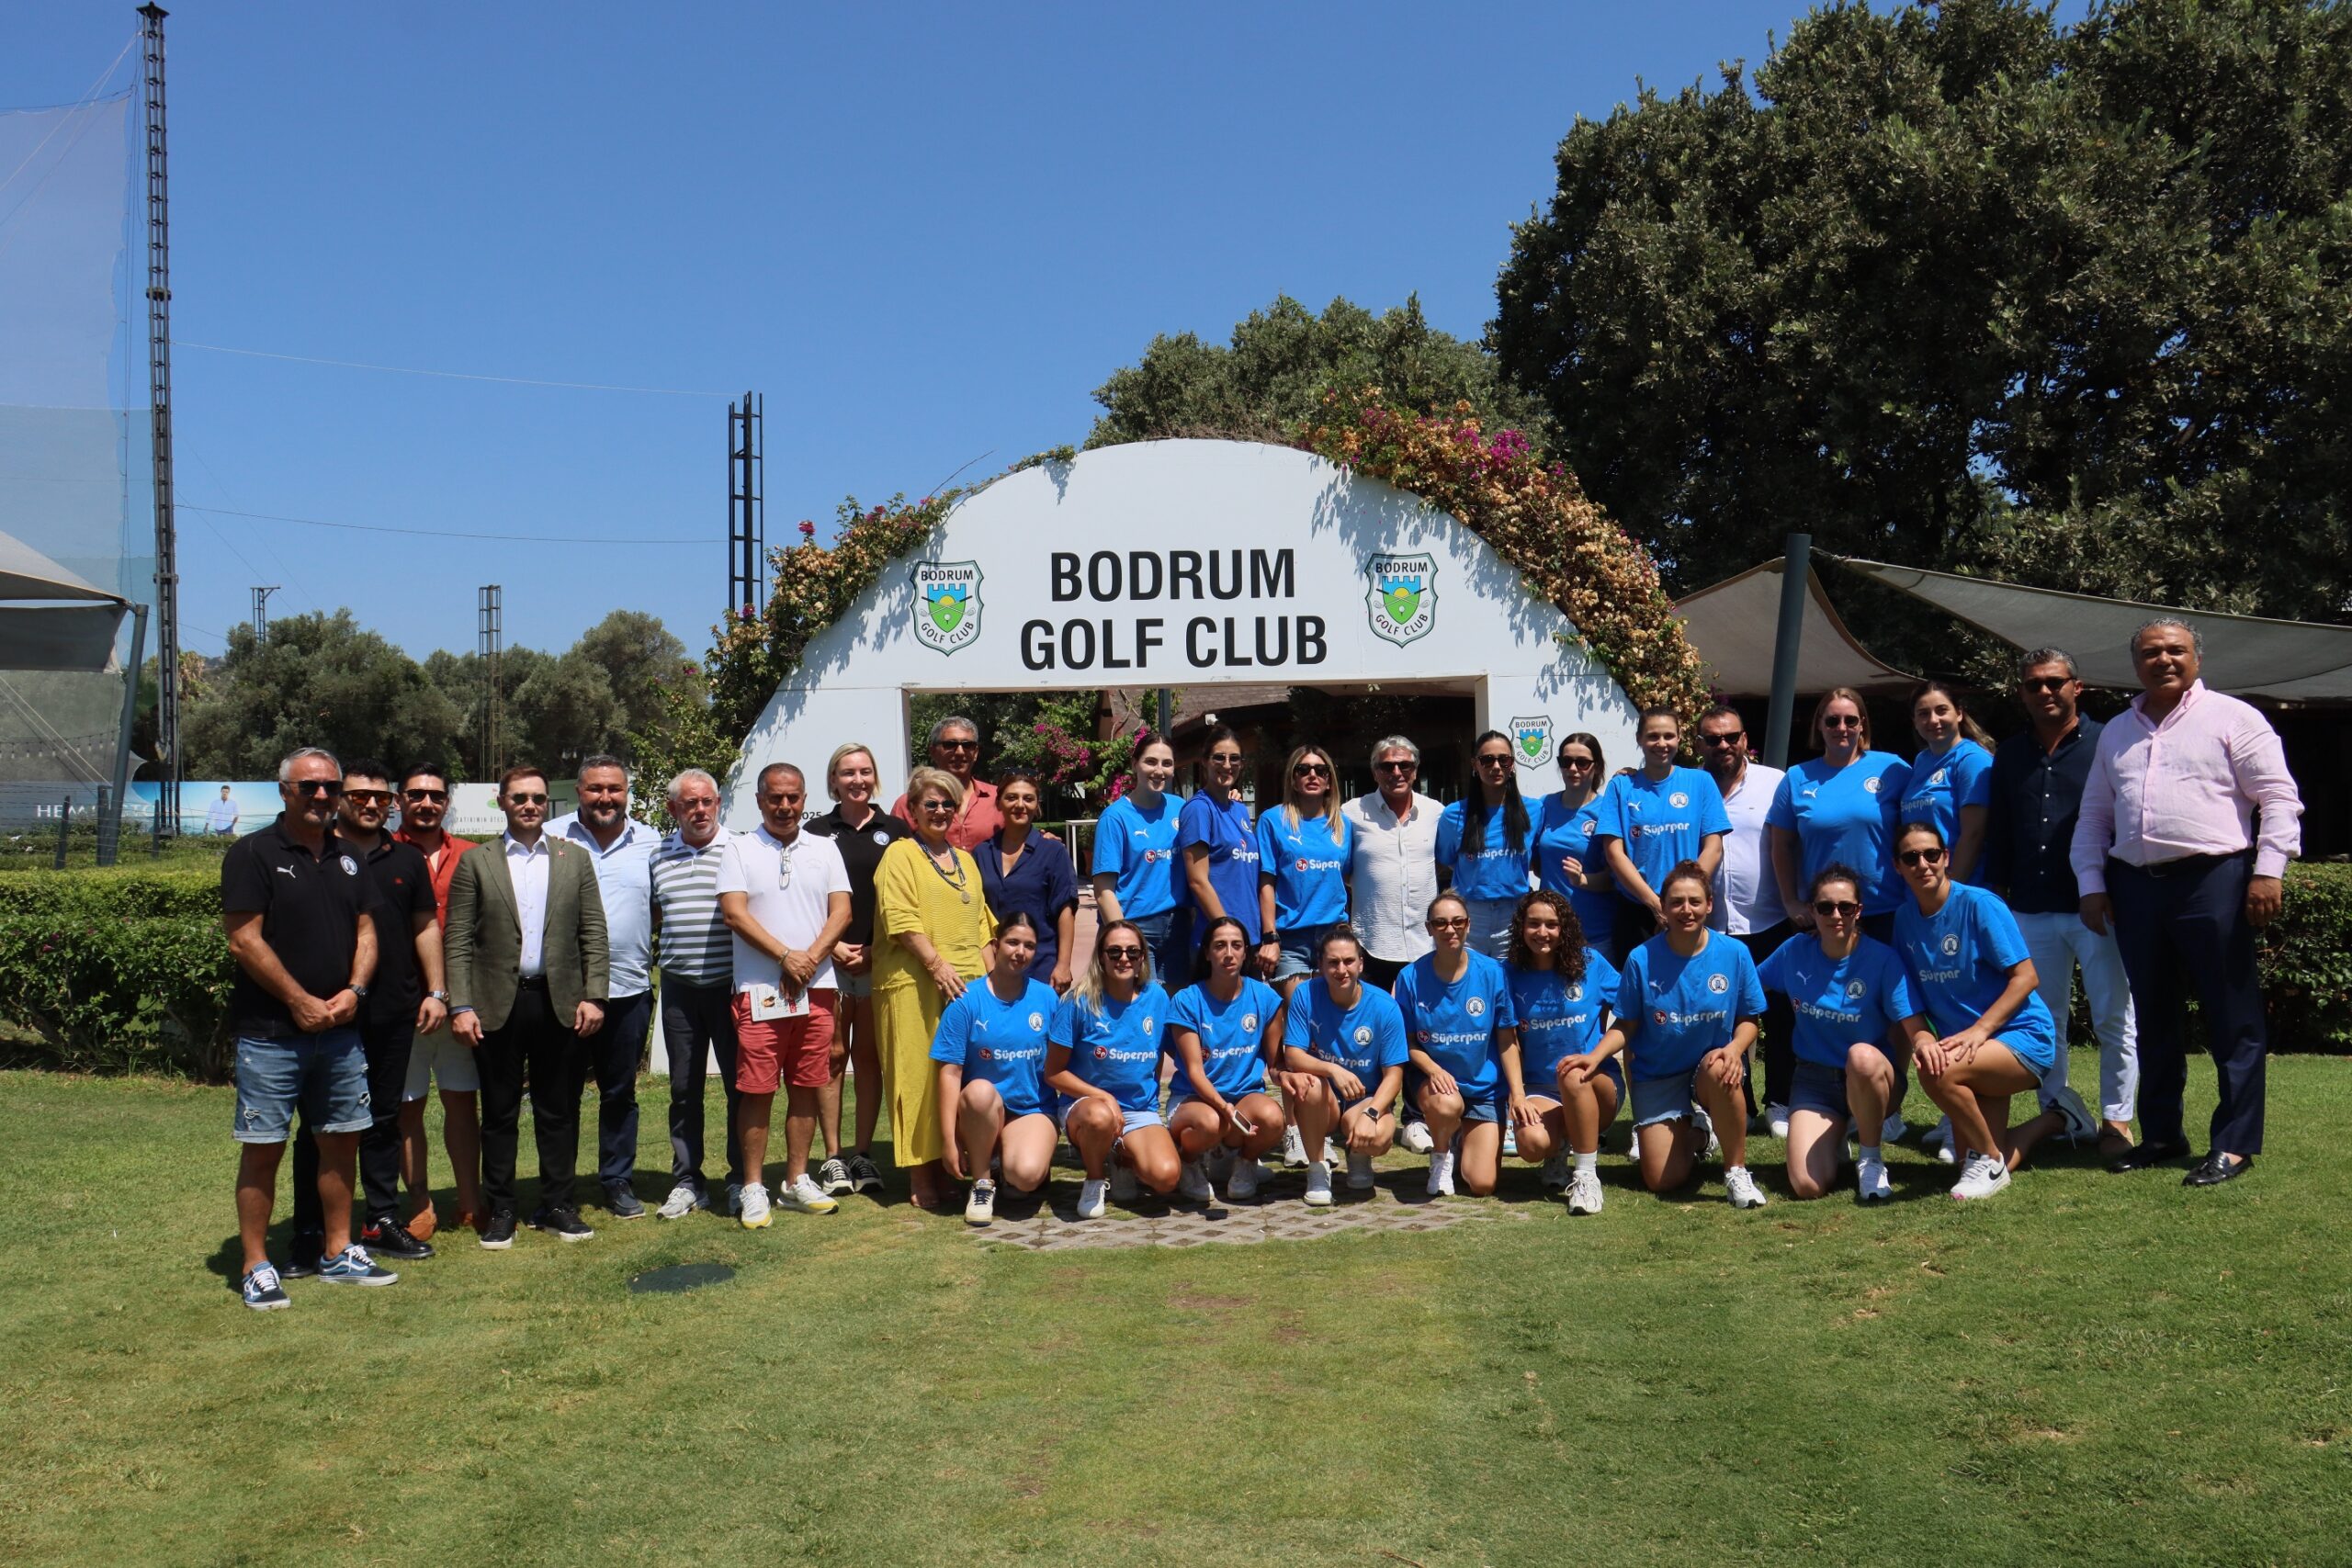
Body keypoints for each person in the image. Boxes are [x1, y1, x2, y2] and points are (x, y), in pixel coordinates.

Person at [2073, 618, 2303, 1187]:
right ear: (2136, 664)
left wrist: (2267, 872)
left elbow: (2278, 797)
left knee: (2232, 1016)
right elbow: (2096, 816)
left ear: (2196, 657)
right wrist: (2091, 884)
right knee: (2153, 1015)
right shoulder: (2117, 732)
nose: (2164, 660)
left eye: (2175, 650)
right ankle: (2162, 1133)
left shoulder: (2234, 717)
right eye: (2151, 652)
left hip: (2214, 880)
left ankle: (2234, 1143)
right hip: (2135, 885)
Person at [221, 747, 395, 1308]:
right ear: (284, 792)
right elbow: (244, 938)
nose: (322, 796)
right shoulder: (252, 854)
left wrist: (354, 992)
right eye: (309, 787)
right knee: (264, 1148)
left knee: (341, 1143)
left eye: (330, 787)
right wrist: (299, 1001)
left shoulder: (350, 858)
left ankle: (338, 1251)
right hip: (272, 1034)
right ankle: (255, 1264)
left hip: (340, 1032)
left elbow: (368, 930)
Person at [285, 758, 444, 1268]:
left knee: (383, 1118)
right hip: (332, 1014)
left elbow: (425, 927)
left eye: (380, 797)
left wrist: (436, 990)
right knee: (321, 1126)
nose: (371, 805)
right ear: (339, 798)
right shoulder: (320, 857)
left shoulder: (407, 860)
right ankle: (309, 1230)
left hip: (394, 1010)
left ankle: (379, 1218)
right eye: (359, 796)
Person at [446, 763, 610, 1248]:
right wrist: (461, 1004)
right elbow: (457, 939)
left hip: (559, 1003)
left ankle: (558, 1203)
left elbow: (593, 933)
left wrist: (594, 994)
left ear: (548, 803)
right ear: (502, 802)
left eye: (538, 798)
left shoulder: (574, 859)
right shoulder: (478, 862)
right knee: (499, 1113)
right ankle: (502, 1209)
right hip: (497, 1005)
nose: (530, 805)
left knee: (557, 1110)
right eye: (519, 798)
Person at [1984, 649, 2138, 1158]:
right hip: (2029, 907)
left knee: (2113, 1015)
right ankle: (2059, 1113)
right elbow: (2000, 832)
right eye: (2033, 685)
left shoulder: (2108, 743)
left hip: (2096, 904)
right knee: (2043, 1020)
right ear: (2023, 693)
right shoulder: (2010, 754)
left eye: (2054, 682)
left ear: (2078, 686)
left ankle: (2117, 1121)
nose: (2045, 692)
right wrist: (1997, 898)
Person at [1561, 862, 1769, 1209]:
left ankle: (1736, 1172)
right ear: (1663, 905)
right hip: (1658, 1075)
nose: (1686, 910)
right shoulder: (1641, 959)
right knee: (1662, 1180)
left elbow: (1749, 1019)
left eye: (1694, 901)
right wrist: (1594, 1057)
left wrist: (1734, 1049)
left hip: (1709, 1068)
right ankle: (1701, 1134)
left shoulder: (1734, 954)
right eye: (1676, 902)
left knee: (1722, 1068)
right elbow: (1626, 1025)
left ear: (1709, 904)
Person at [1768, 687, 1911, 1145]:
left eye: (1851, 720)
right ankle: (1826, 1098)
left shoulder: (1892, 770)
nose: (1842, 729)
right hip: (1826, 915)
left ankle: (1890, 1103)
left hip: (1886, 909)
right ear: (1819, 727)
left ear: (1863, 724)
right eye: (1832, 721)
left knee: (1896, 1011)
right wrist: (1793, 901)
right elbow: (1782, 843)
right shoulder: (1797, 777)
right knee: (1826, 1005)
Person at [717, 761, 854, 1225]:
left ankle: (796, 1181)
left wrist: (809, 958)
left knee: (806, 1086)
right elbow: (734, 913)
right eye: (775, 797)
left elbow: (842, 912)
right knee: (757, 1090)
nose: (784, 806)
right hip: (759, 991)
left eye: (793, 797)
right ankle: (753, 1185)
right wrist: (785, 956)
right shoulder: (738, 849)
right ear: (759, 800)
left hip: (817, 991)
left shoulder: (825, 848)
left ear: (804, 798)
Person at [1893, 820, 2059, 1201]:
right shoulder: (1904, 920)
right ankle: (2056, 1120)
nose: (1923, 864)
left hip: (2020, 1038)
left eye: (1932, 854)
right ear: (1898, 866)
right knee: (1965, 1164)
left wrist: (1981, 1030)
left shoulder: (1979, 904)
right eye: (1911, 857)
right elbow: (1907, 995)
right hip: (1969, 1048)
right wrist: (1920, 1036)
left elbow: (2026, 977)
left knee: (1938, 1070)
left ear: (1946, 858)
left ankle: (1990, 1160)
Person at [1756, 866, 1927, 1203]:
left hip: (1872, 1078)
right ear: (1812, 911)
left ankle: (1871, 1159)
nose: (1836, 915)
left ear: (1858, 911)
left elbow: (1913, 1024)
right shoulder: (1794, 951)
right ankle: (1836, 1137)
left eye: (1845, 907)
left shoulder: (1882, 958)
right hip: (1813, 1081)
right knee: (1807, 1186)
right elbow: (1748, 988)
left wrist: (1926, 1044)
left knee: (1861, 1056)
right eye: (1825, 907)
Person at [873, 766, 999, 1210]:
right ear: (912, 809)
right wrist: (935, 963)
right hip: (914, 984)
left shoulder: (966, 860)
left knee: (962, 1076)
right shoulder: (900, 855)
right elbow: (900, 916)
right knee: (918, 1077)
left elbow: (983, 925)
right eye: (931, 804)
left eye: (948, 803)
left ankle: (956, 1163)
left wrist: (995, 982)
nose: (941, 811)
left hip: (966, 987)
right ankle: (920, 1176)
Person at [546, 755, 656, 1220]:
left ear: (626, 792)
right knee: (560, 1096)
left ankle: (616, 1180)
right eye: (595, 789)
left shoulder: (652, 841)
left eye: (615, 789)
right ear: (579, 791)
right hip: (564, 992)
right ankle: (559, 1190)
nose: (605, 798)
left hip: (629, 988)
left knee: (618, 1093)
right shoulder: (551, 837)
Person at [802, 741, 910, 1199]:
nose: (857, 780)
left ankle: (862, 1152)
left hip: (877, 960)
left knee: (868, 1058)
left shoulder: (898, 831)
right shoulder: (814, 831)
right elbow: (807, 899)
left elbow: (905, 898)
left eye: (865, 771)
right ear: (834, 781)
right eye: (847, 773)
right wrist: (833, 947)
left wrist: (872, 948)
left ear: (875, 778)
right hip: (827, 962)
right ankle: (832, 1157)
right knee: (829, 1057)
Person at [647, 767, 745, 1220]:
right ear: (674, 809)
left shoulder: (739, 850)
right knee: (683, 1089)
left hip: (731, 987)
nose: (700, 810)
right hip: (681, 990)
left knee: (739, 1088)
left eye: (707, 801)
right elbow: (652, 917)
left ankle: (742, 1179)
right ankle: (687, 1182)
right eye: (690, 803)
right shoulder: (658, 856)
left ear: (718, 804)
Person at [1696, 705, 1795, 1134]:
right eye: (1714, 739)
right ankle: (1744, 1103)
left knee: (1779, 1016)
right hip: (1714, 926)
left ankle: (1781, 1103)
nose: (1723, 746)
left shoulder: (1775, 782)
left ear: (1744, 739)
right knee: (1725, 1017)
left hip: (1770, 918)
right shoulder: (1693, 786)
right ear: (1700, 744)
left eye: (1730, 737)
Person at [390, 765, 480, 1238]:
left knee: (462, 1102)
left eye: (436, 796)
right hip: (405, 1005)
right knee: (409, 1106)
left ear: (447, 803)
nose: (427, 803)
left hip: (461, 1001)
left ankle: (470, 1199)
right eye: (416, 794)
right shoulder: (380, 855)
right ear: (400, 800)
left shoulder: (471, 855)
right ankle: (420, 1202)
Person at [1044, 919, 1181, 1218]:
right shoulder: (1078, 1001)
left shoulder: (1156, 998)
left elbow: (1172, 1049)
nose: (1124, 959)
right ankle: (1095, 1178)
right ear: (1101, 957)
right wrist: (1102, 1097)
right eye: (1115, 951)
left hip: (1137, 1109)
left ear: (1143, 957)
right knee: (1099, 1116)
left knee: (1166, 1178)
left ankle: (1122, 1157)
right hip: (1086, 1108)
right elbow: (1053, 1072)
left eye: (1133, 952)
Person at [932, 911, 1060, 1226]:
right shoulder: (965, 1000)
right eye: (1012, 942)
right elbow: (949, 1073)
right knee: (978, 1092)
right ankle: (983, 1182)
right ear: (995, 945)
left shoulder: (1046, 998)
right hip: (982, 1111)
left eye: (1029, 946)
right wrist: (948, 1139)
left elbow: (1063, 1064)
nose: (1020, 952)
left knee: (1026, 1177)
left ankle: (1013, 1163)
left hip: (1032, 1110)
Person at [1500, 890, 1620, 1215]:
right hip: (1542, 1088)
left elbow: (1631, 1013)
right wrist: (1518, 1094)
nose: (1542, 933)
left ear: (1564, 928)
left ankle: (1585, 1175)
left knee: (1572, 1073)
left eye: (1552, 925)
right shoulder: (1507, 974)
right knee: (1531, 1144)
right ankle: (1558, 1148)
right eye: (1534, 924)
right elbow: (1507, 1038)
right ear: (1521, 928)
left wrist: (1596, 1055)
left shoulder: (1591, 964)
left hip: (1596, 1082)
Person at [1394, 892, 1519, 1197]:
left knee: (1482, 1184)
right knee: (1446, 1103)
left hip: (1484, 1090)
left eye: (1457, 921)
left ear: (1468, 925)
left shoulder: (1493, 973)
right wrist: (1434, 1070)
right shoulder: (1410, 978)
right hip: (1438, 1086)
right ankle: (1440, 1156)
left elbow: (1507, 1040)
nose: (1450, 929)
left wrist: (1518, 1092)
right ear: (1429, 928)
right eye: (1440, 923)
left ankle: (1460, 1139)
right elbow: (1407, 1043)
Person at [1277, 926, 1408, 1207]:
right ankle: (1317, 1170)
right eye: (1333, 962)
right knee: (1308, 1084)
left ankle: (1359, 1155)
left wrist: (1372, 1113)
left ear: (1361, 963)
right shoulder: (1305, 995)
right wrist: (1333, 1070)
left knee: (1378, 1137)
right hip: (1326, 1100)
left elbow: (1394, 1075)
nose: (1341, 970)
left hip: (1365, 1099)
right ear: (1321, 965)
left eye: (1349, 961)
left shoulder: (1384, 1006)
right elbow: (1293, 1056)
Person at [1166, 915, 1290, 1201]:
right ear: (1207, 953)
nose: (1229, 953)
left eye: (1236, 945)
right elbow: (1195, 1072)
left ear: (1246, 951)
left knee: (1272, 1118)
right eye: (1220, 946)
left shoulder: (1264, 997)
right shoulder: (1186, 1000)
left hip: (1243, 1098)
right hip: (1194, 1100)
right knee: (1211, 1123)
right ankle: (1189, 1162)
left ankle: (1243, 1163)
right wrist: (1225, 1108)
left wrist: (1292, 1078)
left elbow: (1275, 1065)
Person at [1593, 707, 1730, 961]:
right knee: (1639, 992)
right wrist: (1655, 904)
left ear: (1679, 738)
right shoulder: (1621, 786)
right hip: (1637, 910)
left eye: (1669, 736)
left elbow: (1714, 848)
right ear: (1639, 739)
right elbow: (1614, 853)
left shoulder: (1701, 782)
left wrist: (1684, 897)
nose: (1661, 743)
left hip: (1686, 910)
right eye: (1653, 736)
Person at [1344, 734, 1443, 993]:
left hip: (1425, 944)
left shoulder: (1435, 812)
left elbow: (1444, 863)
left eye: (1405, 765)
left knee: (1422, 1028)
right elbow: (1340, 869)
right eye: (1387, 766)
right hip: (1372, 944)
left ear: (1415, 770)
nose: (1396, 772)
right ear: (1375, 772)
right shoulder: (1351, 813)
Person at [1255, 743, 1353, 1000]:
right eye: (1304, 769)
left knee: (1329, 1019)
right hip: (1290, 939)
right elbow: (1266, 881)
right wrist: (1270, 938)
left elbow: (1349, 878)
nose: (1313, 775)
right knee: (1300, 1013)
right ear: (1293, 779)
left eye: (1320, 770)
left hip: (1334, 935)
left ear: (1329, 781)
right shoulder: (1273, 820)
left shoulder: (1343, 825)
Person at [974, 769, 1079, 992]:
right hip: (992, 966)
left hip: (1040, 966)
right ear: (999, 803)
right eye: (1011, 797)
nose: (1020, 804)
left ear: (1037, 805)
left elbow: (1065, 910)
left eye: (1028, 798)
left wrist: (1063, 965)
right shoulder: (981, 853)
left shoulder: (1053, 852)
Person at [1091, 734, 1187, 979]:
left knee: (1175, 1011)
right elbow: (1104, 892)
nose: (1159, 770)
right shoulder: (1115, 818)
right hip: (1136, 927)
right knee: (1143, 1009)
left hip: (1180, 928)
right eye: (1150, 762)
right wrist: (1125, 943)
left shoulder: (1182, 808)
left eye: (1167, 763)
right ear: (1135, 764)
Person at [1436, 731, 1538, 959]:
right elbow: (1447, 861)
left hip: (1515, 913)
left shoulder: (1534, 810)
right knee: (1469, 983)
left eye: (1504, 760)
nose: (1496, 766)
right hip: (1470, 914)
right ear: (1475, 765)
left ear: (1512, 764)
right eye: (1487, 760)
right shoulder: (1454, 815)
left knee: (1508, 984)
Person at [1532, 733, 1619, 965]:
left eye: (1582, 763)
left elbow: (1615, 878)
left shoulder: (1607, 810)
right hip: (1551, 933)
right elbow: (1538, 863)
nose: (1573, 768)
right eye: (1566, 761)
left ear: (1596, 766)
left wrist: (1582, 880)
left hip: (1595, 934)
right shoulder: (1544, 805)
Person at [1180, 727, 1264, 958]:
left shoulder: (1239, 809)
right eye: (1219, 757)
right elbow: (1197, 881)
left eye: (1234, 758)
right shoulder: (1199, 809)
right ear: (1204, 761)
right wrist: (1228, 934)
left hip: (1249, 937)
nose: (1227, 765)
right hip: (1220, 942)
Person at [1899, 681, 1995, 884]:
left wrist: (1951, 890)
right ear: (1914, 721)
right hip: (1924, 888)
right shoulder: (1921, 760)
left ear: (1959, 713)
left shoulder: (1972, 760)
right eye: (1923, 714)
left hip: (1961, 888)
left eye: (1941, 710)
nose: (1933, 720)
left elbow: (1974, 834)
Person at [889, 714, 1002, 850]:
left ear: (976, 752)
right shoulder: (908, 803)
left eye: (968, 745)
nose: (960, 752)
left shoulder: (999, 798)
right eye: (950, 744)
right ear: (933, 751)